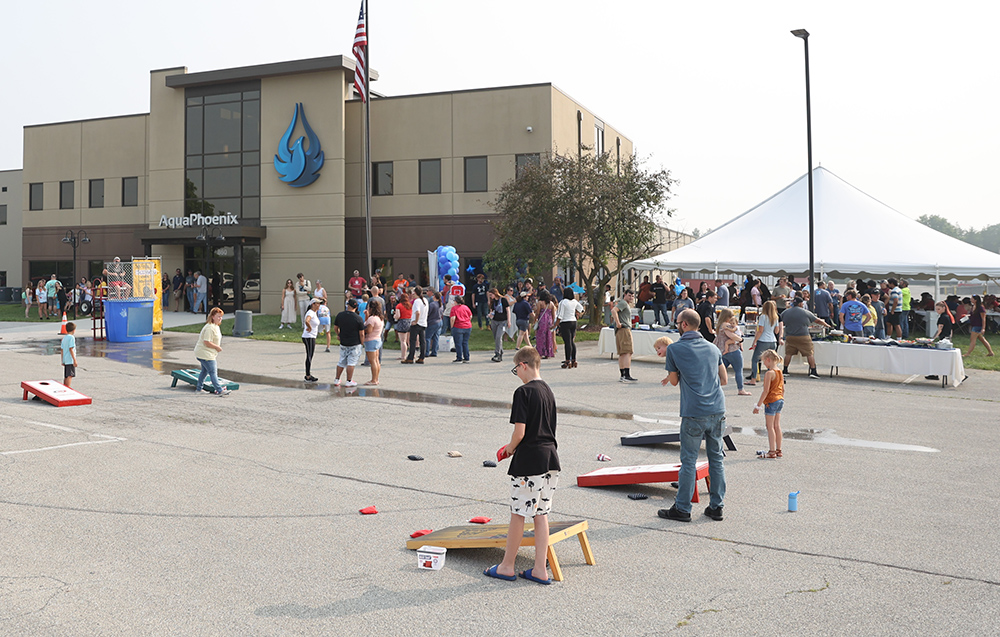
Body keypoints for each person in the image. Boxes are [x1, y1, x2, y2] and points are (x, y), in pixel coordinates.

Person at [483, 347, 560, 584]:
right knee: (541, 514)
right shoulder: (547, 390)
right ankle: (539, 569)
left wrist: (509, 448)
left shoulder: (523, 392)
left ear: (523, 365)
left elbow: (520, 432)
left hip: (530, 460)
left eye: (516, 369)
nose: (516, 373)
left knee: (518, 513)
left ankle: (507, 566)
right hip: (551, 459)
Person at [657, 308, 727, 523]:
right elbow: (723, 379)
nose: (676, 324)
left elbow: (675, 380)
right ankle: (716, 507)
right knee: (716, 459)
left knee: (689, 461)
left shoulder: (675, 349)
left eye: (677, 322)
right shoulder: (713, 348)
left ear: (684, 325)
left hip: (694, 410)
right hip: (717, 408)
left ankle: (683, 508)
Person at [779, 297, 830, 378]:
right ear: (800, 304)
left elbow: (780, 322)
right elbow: (817, 321)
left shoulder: (785, 312)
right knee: (809, 353)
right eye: (802, 303)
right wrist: (827, 325)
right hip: (803, 336)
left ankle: (785, 370)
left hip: (790, 336)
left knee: (788, 353)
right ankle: (813, 371)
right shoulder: (805, 312)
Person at [752, 349, 785, 459]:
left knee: (769, 426)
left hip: (771, 401)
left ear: (768, 360)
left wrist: (758, 405)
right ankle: (778, 450)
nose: (764, 364)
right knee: (777, 426)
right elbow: (783, 388)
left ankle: (771, 451)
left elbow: (765, 391)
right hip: (780, 399)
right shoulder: (779, 371)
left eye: (763, 362)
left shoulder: (769, 373)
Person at [193, 307, 230, 396]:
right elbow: (207, 342)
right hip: (205, 353)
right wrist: (217, 347)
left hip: (208, 353)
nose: (220, 318)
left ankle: (199, 389)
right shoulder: (210, 327)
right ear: (213, 316)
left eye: (221, 317)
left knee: (204, 371)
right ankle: (219, 390)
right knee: (213, 372)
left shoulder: (215, 327)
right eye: (218, 316)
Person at [716, 309, 752, 396]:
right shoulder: (727, 325)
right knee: (738, 370)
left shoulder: (719, 325)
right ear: (727, 317)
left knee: (719, 371)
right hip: (733, 350)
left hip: (723, 351)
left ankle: (714, 388)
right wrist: (741, 339)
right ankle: (741, 389)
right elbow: (731, 335)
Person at [333, 298, 366, 387]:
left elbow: (336, 327)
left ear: (348, 305)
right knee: (351, 362)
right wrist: (362, 343)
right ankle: (349, 380)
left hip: (344, 342)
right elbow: (361, 333)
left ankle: (337, 379)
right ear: (356, 307)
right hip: (355, 343)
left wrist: (339, 335)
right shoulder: (358, 318)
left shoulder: (340, 315)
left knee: (341, 361)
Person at [746, 300, 781, 385]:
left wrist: (755, 341)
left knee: (755, 360)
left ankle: (753, 379)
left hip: (763, 340)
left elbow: (760, 330)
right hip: (773, 340)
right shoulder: (775, 317)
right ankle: (771, 380)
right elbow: (777, 331)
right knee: (772, 361)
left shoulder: (763, 317)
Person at [553, 289, 583, 369]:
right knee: (572, 341)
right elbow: (581, 309)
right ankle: (574, 359)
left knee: (567, 342)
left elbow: (560, 316)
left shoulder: (563, 302)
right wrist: (577, 313)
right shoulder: (574, 301)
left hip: (565, 322)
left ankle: (567, 360)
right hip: (573, 321)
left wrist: (555, 325)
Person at [613, 290, 638, 382]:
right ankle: (626, 375)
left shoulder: (625, 304)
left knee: (623, 353)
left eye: (632, 296)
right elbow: (613, 310)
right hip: (624, 330)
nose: (631, 297)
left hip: (623, 329)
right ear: (625, 295)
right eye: (629, 295)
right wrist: (618, 323)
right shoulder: (623, 303)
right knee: (627, 352)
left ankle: (623, 374)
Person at [403, 287, 428, 363]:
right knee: (422, 341)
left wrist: (416, 321)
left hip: (417, 323)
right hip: (423, 322)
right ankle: (422, 357)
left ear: (416, 293)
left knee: (412, 340)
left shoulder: (417, 301)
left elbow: (417, 312)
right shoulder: (425, 300)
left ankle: (410, 357)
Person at [488, 288, 512, 363]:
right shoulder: (493, 301)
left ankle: (497, 353)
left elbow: (508, 311)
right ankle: (500, 351)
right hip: (495, 321)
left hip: (503, 321)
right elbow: (492, 311)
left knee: (499, 336)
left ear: (495, 293)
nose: (490, 296)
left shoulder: (503, 300)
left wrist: (509, 321)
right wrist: (490, 315)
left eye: (491, 295)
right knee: (496, 337)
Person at [363, 300, 384, 385]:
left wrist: (362, 330)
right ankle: (376, 378)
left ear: (371, 308)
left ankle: (373, 380)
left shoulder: (372, 319)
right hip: (377, 339)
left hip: (371, 340)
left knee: (372, 362)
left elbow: (369, 330)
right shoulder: (379, 318)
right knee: (376, 360)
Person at [449, 295, 473, 363]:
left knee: (458, 343)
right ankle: (466, 357)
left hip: (458, 326)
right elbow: (470, 316)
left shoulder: (454, 308)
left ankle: (459, 357)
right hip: (467, 326)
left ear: (455, 301)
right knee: (465, 343)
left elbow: (452, 318)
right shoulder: (466, 307)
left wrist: (452, 326)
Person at [301, 297, 321, 382]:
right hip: (308, 337)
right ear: (313, 304)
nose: (319, 305)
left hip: (312, 337)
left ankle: (308, 374)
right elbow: (307, 320)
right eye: (317, 303)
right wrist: (309, 327)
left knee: (311, 355)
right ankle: (307, 376)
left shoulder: (314, 313)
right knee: (309, 355)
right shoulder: (310, 312)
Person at [534, 289, 557, 359]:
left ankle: (540, 352)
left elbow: (537, 313)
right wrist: (553, 322)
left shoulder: (540, 303)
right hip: (549, 321)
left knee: (541, 337)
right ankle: (548, 353)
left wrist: (535, 320)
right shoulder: (551, 304)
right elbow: (553, 314)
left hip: (542, 321)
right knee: (549, 337)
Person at [394, 291, 412, 361]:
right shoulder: (410, 305)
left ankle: (403, 356)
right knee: (409, 340)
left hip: (402, 322)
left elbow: (398, 316)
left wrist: (395, 316)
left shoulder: (399, 305)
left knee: (403, 341)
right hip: (409, 321)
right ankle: (412, 354)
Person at [61, 321, 78, 388]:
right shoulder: (71, 338)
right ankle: (68, 388)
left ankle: (64, 387)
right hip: (70, 359)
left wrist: (62, 360)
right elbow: (71, 349)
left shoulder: (64, 338)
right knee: (70, 375)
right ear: (74, 330)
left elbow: (62, 350)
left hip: (65, 359)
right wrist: (74, 360)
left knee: (66, 375)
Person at [426, 292, 442, 357]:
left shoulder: (432, 304)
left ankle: (426, 352)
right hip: (439, 321)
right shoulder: (441, 304)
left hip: (432, 322)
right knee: (436, 337)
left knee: (427, 337)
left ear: (434, 296)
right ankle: (434, 352)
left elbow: (428, 313)